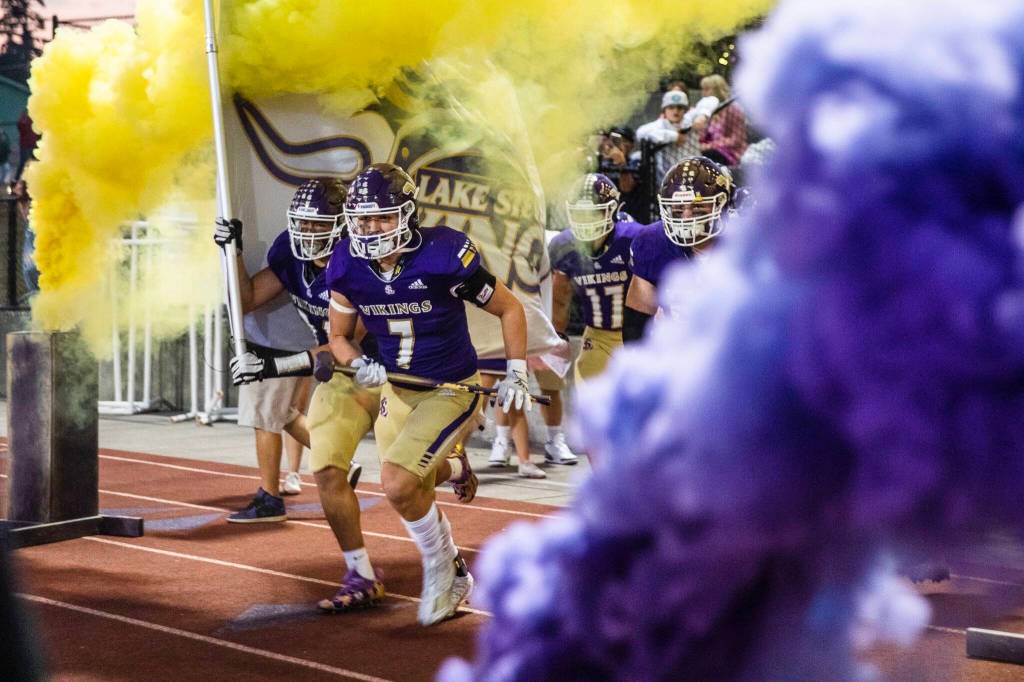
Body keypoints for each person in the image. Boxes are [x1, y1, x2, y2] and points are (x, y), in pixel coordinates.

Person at [326, 162, 531, 626]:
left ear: (407, 214)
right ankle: (455, 472)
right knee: (408, 488)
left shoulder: (441, 254)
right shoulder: (347, 264)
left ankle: (442, 568)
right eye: (361, 218)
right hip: (396, 389)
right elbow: (339, 337)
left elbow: (510, 307)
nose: (370, 228)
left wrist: (517, 373)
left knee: (396, 481)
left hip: (451, 387)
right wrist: (359, 362)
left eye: (381, 217)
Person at [623, 156, 734, 342]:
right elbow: (637, 325)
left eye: (697, 206)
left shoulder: (743, 242)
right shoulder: (653, 241)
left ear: (722, 204)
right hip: (680, 352)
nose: (686, 216)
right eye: (678, 207)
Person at [550, 173, 646, 380]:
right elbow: (560, 300)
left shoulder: (632, 238)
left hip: (637, 335)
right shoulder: (564, 245)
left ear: (612, 211)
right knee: (590, 399)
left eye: (594, 213)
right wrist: (557, 337)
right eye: (580, 214)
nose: (586, 222)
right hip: (598, 335)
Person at [698, 75, 748, 166]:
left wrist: (710, 146)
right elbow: (703, 137)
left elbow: (737, 140)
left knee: (707, 156)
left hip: (730, 153)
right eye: (702, 89)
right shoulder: (708, 110)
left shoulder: (733, 109)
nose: (703, 93)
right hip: (710, 151)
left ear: (717, 90)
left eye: (707, 89)